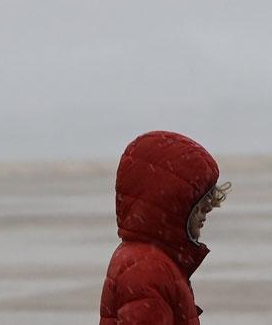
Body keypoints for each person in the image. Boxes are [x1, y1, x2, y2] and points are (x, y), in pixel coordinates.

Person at [99, 131, 231, 324]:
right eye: (199, 209)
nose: (204, 217)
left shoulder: (153, 260)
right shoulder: (147, 270)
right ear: (173, 206)